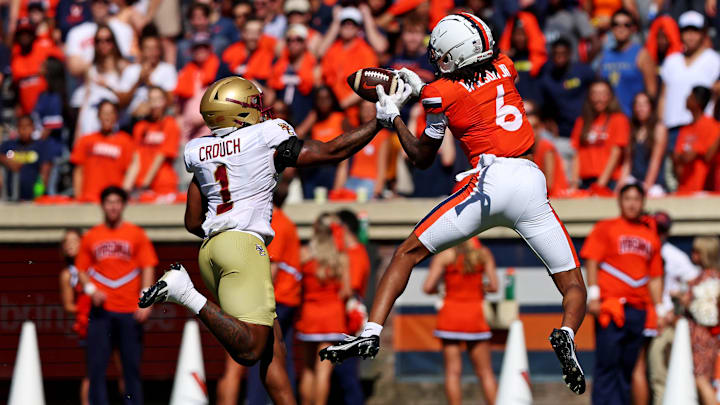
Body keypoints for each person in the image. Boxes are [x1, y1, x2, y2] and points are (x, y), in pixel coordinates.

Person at [320, 12, 588, 396]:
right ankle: (566, 331)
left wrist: (394, 117)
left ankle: (371, 331)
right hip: (531, 181)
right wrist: (425, 84)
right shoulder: (506, 66)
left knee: (406, 253)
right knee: (573, 284)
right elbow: (472, 81)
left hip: (489, 182)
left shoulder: (437, 94)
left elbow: (422, 155)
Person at [138, 75, 405, 405]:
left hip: (210, 249)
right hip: (242, 246)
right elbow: (331, 151)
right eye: (252, 105)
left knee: (272, 345)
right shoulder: (265, 136)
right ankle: (184, 292)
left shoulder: (200, 151)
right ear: (238, 112)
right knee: (251, 348)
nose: (260, 111)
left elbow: (193, 220)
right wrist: (380, 121)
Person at [581, 183, 663, 405]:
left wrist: (661, 309)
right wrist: (594, 295)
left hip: (638, 310)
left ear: (643, 202)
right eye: (628, 198)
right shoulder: (605, 228)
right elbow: (592, 261)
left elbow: (655, 278)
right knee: (607, 365)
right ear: (620, 201)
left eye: (637, 199)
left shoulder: (651, 236)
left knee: (629, 366)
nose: (632, 204)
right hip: (611, 306)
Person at [76, 186, 157, 405]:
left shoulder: (136, 234)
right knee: (96, 369)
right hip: (101, 312)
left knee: (131, 369)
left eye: (117, 202)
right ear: (102, 206)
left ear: (123, 205)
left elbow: (148, 266)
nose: (113, 206)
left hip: (130, 311)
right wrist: (92, 291)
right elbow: (81, 270)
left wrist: (146, 301)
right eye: (109, 202)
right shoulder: (91, 236)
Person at [422, 237, 498, 405]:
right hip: (475, 317)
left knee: (452, 372)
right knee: (485, 372)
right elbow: (494, 286)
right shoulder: (483, 253)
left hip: (450, 316)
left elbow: (427, 287)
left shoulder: (445, 255)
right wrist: (480, 287)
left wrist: (441, 288)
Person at [296, 213, 352, 405]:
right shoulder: (341, 257)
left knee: (308, 369)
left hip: (310, 315)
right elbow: (346, 291)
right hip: (332, 318)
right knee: (323, 372)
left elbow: (296, 283)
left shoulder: (304, 253)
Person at [647, 211, 699, 405]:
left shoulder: (674, 255)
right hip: (645, 318)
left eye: (662, 229)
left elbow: (697, 285)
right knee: (651, 375)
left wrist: (674, 311)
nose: (658, 233)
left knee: (663, 374)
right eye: (655, 228)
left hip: (666, 323)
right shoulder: (646, 249)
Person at [659, 10, 720, 149]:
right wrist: (661, 122)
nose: (691, 36)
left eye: (695, 31)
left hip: (702, 128)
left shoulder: (715, 60)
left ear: (703, 34)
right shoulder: (671, 60)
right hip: (672, 127)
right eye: (687, 31)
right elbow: (663, 96)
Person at [69, 24, 137, 137]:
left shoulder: (125, 68)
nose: (103, 44)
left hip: (114, 127)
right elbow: (85, 103)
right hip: (90, 124)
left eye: (108, 40)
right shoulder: (91, 68)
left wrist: (107, 87)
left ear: (114, 42)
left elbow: (126, 99)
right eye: (99, 41)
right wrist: (78, 133)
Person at [71, 100, 138, 202]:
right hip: (89, 199)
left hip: (113, 202)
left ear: (116, 117)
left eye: (111, 113)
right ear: (98, 116)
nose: (107, 117)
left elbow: (131, 171)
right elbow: (78, 171)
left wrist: (123, 195)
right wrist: (78, 197)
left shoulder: (125, 141)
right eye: (104, 113)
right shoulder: (86, 140)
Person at [569, 79, 629, 192]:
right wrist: (574, 184)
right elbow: (576, 154)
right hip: (585, 181)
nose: (599, 98)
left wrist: (600, 185)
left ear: (610, 96)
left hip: (609, 181)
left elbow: (616, 153)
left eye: (603, 94)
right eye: (595, 93)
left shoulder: (619, 119)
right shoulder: (581, 121)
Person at [597, 9, 657, 116]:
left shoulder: (642, 54)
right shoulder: (605, 55)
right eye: (616, 24)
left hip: (633, 120)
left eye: (626, 25)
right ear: (611, 28)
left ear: (633, 29)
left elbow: (651, 92)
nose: (621, 29)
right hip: (609, 120)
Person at [684, 236, 720, 405]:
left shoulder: (706, 279)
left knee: (701, 379)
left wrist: (683, 299)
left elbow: (698, 306)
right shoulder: (713, 277)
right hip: (708, 336)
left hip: (702, 336)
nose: (692, 254)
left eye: (696, 251)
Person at [57, 228, 91, 405]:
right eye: (66, 242)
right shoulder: (68, 274)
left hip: (109, 318)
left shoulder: (93, 266)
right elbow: (68, 305)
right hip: (88, 324)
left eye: (74, 241)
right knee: (93, 370)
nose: (70, 245)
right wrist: (86, 308)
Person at [538, 37, 595, 139]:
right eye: (556, 53)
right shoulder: (547, 79)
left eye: (563, 53)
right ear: (551, 55)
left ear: (569, 53)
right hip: (562, 131)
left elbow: (597, 88)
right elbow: (545, 107)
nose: (560, 56)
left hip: (586, 126)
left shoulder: (583, 71)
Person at [64, 0, 134, 77]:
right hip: (89, 82)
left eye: (104, 1)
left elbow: (129, 61)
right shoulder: (76, 32)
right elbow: (74, 67)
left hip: (118, 80)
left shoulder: (124, 29)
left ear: (110, 4)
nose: (99, 5)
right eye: (95, 2)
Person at [335, 101, 390, 198]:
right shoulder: (354, 134)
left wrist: (377, 191)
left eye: (370, 109)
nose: (367, 112)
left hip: (370, 182)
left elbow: (382, 167)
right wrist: (337, 190)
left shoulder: (382, 135)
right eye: (364, 109)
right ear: (359, 112)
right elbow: (343, 166)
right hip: (352, 179)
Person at [132, 86, 180, 196]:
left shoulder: (170, 124)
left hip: (163, 185)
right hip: (141, 185)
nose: (155, 104)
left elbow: (161, 156)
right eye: (151, 100)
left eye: (158, 100)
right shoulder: (140, 127)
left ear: (165, 102)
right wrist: (127, 188)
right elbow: (136, 158)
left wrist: (145, 184)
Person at [673, 86, 720, 194]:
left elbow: (708, 156)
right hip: (684, 188)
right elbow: (677, 156)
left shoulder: (713, 126)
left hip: (704, 189)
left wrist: (694, 153)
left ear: (697, 101)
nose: (686, 99)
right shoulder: (685, 129)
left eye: (690, 96)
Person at [623, 92, 667, 195]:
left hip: (653, 183)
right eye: (637, 105)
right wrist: (620, 186)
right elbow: (628, 161)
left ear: (651, 107)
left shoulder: (659, 128)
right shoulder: (632, 128)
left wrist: (646, 186)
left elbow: (656, 160)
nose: (640, 108)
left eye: (644, 105)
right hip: (634, 179)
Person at [0, 115, 51, 201]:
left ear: (33, 128)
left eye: (27, 126)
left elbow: (45, 170)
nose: (24, 130)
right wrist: (6, 160)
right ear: (17, 129)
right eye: (21, 127)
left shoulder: (40, 146)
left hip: (32, 195)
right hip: (10, 195)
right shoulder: (8, 145)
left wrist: (39, 192)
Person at [525, 100, 568, 198]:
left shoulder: (546, 147)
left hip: (555, 197)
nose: (532, 131)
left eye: (535, 127)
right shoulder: (527, 149)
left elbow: (549, 183)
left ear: (541, 128)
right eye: (528, 127)